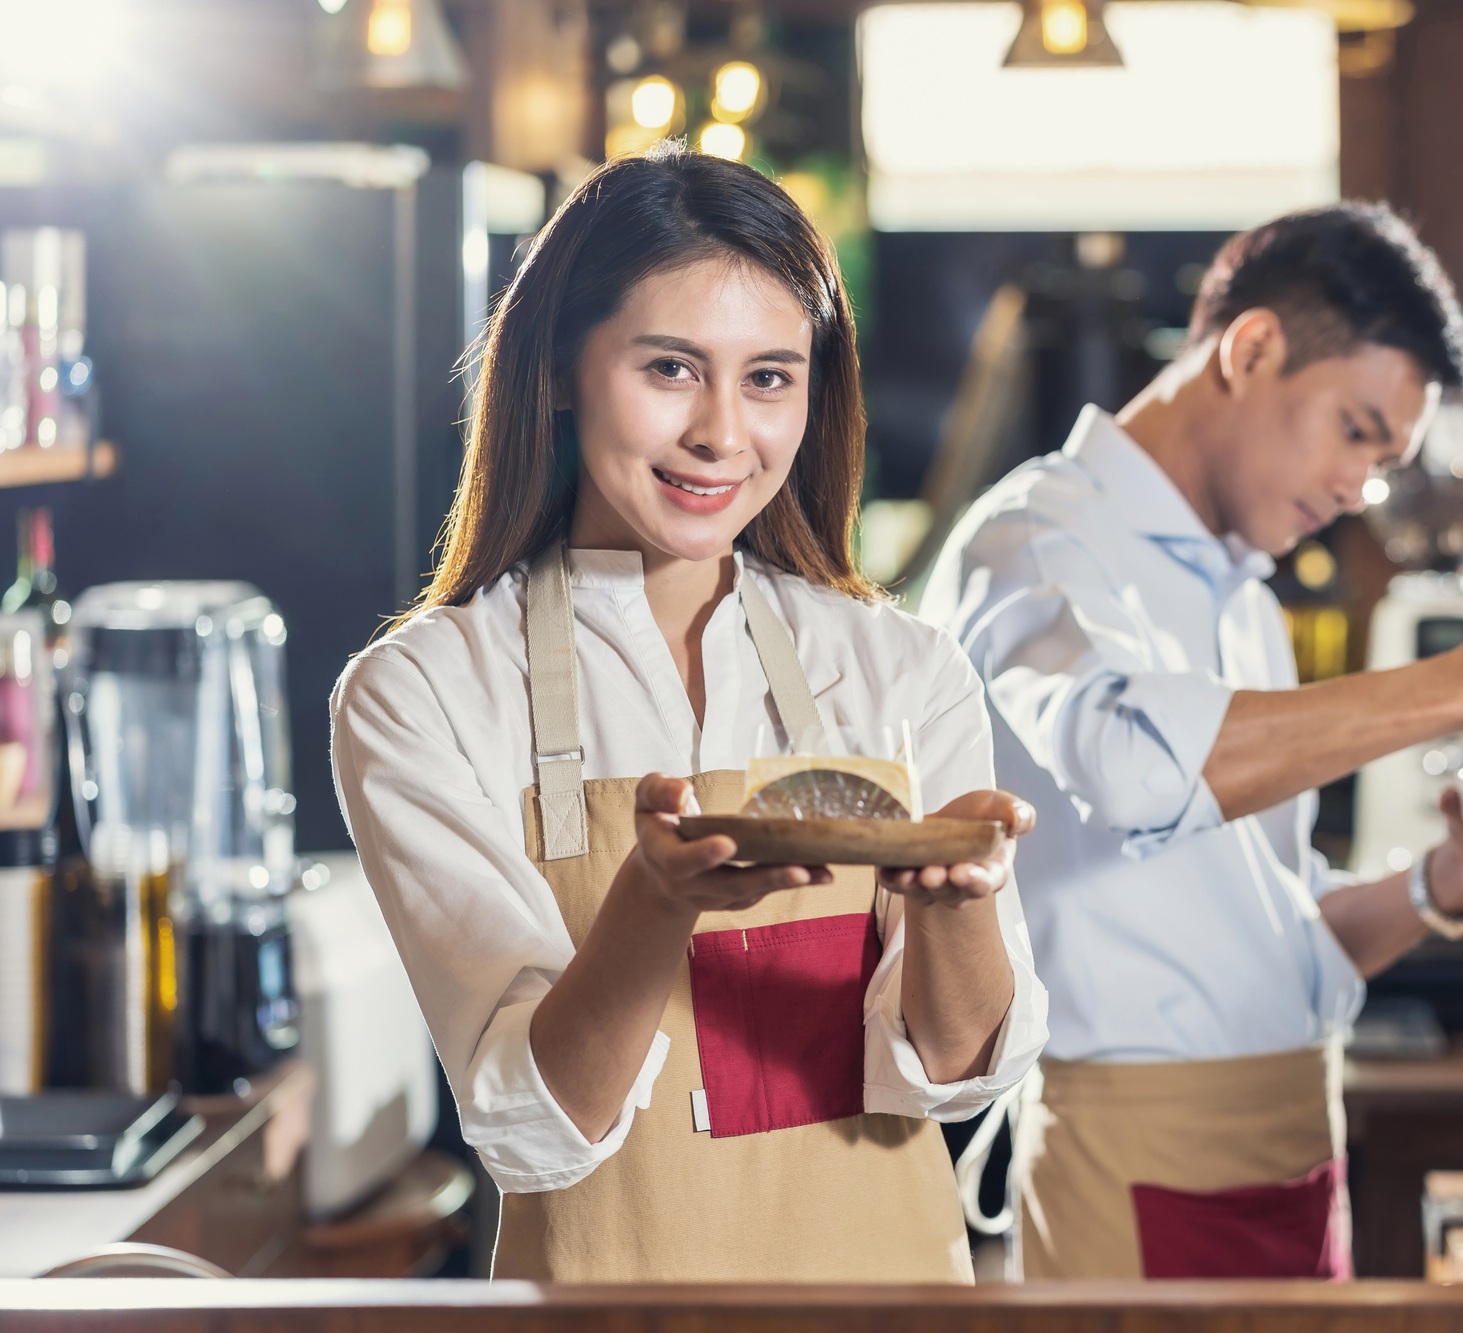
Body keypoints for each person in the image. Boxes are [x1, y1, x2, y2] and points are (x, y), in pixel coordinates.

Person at [331, 144, 1048, 1284]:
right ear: (561, 366)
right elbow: (530, 1124)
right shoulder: (422, 691)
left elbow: (960, 1069)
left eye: (769, 377)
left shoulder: (899, 665)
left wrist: (961, 899)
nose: (723, 433)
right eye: (670, 368)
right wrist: (651, 902)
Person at [920, 203, 1463, 1282]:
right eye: (1355, 431)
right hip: (1137, 1164)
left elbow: (1270, 943)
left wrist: (1438, 883)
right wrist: (1457, 685)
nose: (1358, 489)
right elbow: (1135, 768)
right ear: (1250, 349)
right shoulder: (1035, 539)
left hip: (1295, 1150)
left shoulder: (1241, 594)